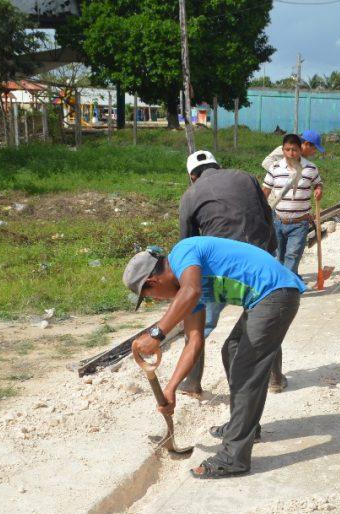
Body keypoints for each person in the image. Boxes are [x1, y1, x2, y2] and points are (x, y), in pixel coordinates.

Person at [125, 237, 306, 479]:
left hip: (275, 294)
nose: (156, 300)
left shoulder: (182, 253)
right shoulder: (188, 290)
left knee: (246, 371)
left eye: (150, 296)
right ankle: (242, 427)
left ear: (152, 282)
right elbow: (195, 341)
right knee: (231, 349)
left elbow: (191, 290)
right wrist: (170, 388)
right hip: (266, 297)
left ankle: (234, 458)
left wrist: (157, 333)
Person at [177, 150, 276, 397]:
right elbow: (267, 215)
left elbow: (188, 245)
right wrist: (270, 253)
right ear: (218, 166)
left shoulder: (190, 195)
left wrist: (188, 288)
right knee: (263, 322)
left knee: (199, 323)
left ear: (192, 176)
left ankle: (192, 382)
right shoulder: (246, 177)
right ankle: (275, 378)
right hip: (258, 261)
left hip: (221, 270)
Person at [261, 133, 324, 277]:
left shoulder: (310, 168)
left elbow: (318, 183)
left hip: (300, 223)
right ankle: (284, 285)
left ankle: (287, 288)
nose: (291, 153)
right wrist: (258, 209)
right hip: (277, 221)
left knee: (293, 256)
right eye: (287, 150)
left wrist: (319, 190)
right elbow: (265, 191)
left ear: (300, 150)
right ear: (282, 150)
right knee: (279, 257)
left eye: (294, 150)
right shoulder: (275, 168)